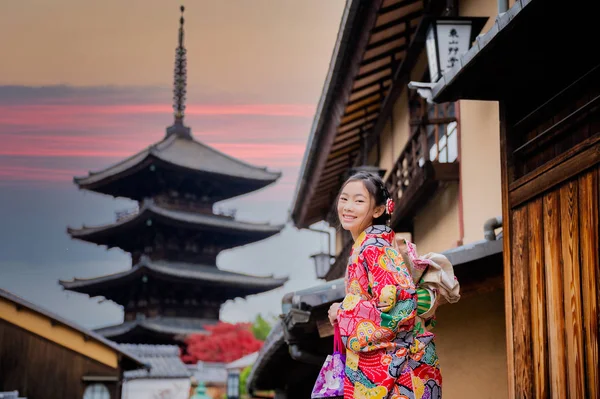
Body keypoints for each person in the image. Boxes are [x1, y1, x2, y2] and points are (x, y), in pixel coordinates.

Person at [327, 171, 442, 399]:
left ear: (378, 210)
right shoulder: (365, 246)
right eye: (344, 198)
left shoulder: (375, 248)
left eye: (359, 201)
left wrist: (343, 312)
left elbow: (401, 308)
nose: (348, 206)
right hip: (396, 370)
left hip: (403, 373)